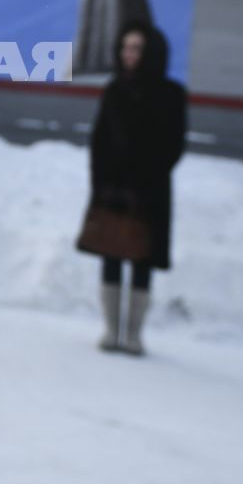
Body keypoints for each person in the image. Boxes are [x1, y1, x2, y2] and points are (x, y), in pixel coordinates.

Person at [84, 21, 186, 356]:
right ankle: (112, 329)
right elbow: (99, 141)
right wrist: (103, 182)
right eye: (125, 48)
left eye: (136, 48)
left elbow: (173, 145)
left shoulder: (171, 94)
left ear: (150, 52)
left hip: (149, 192)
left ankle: (134, 334)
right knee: (111, 253)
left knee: (142, 259)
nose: (129, 55)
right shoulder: (114, 90)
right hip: (112, 190)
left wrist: (143, 177)